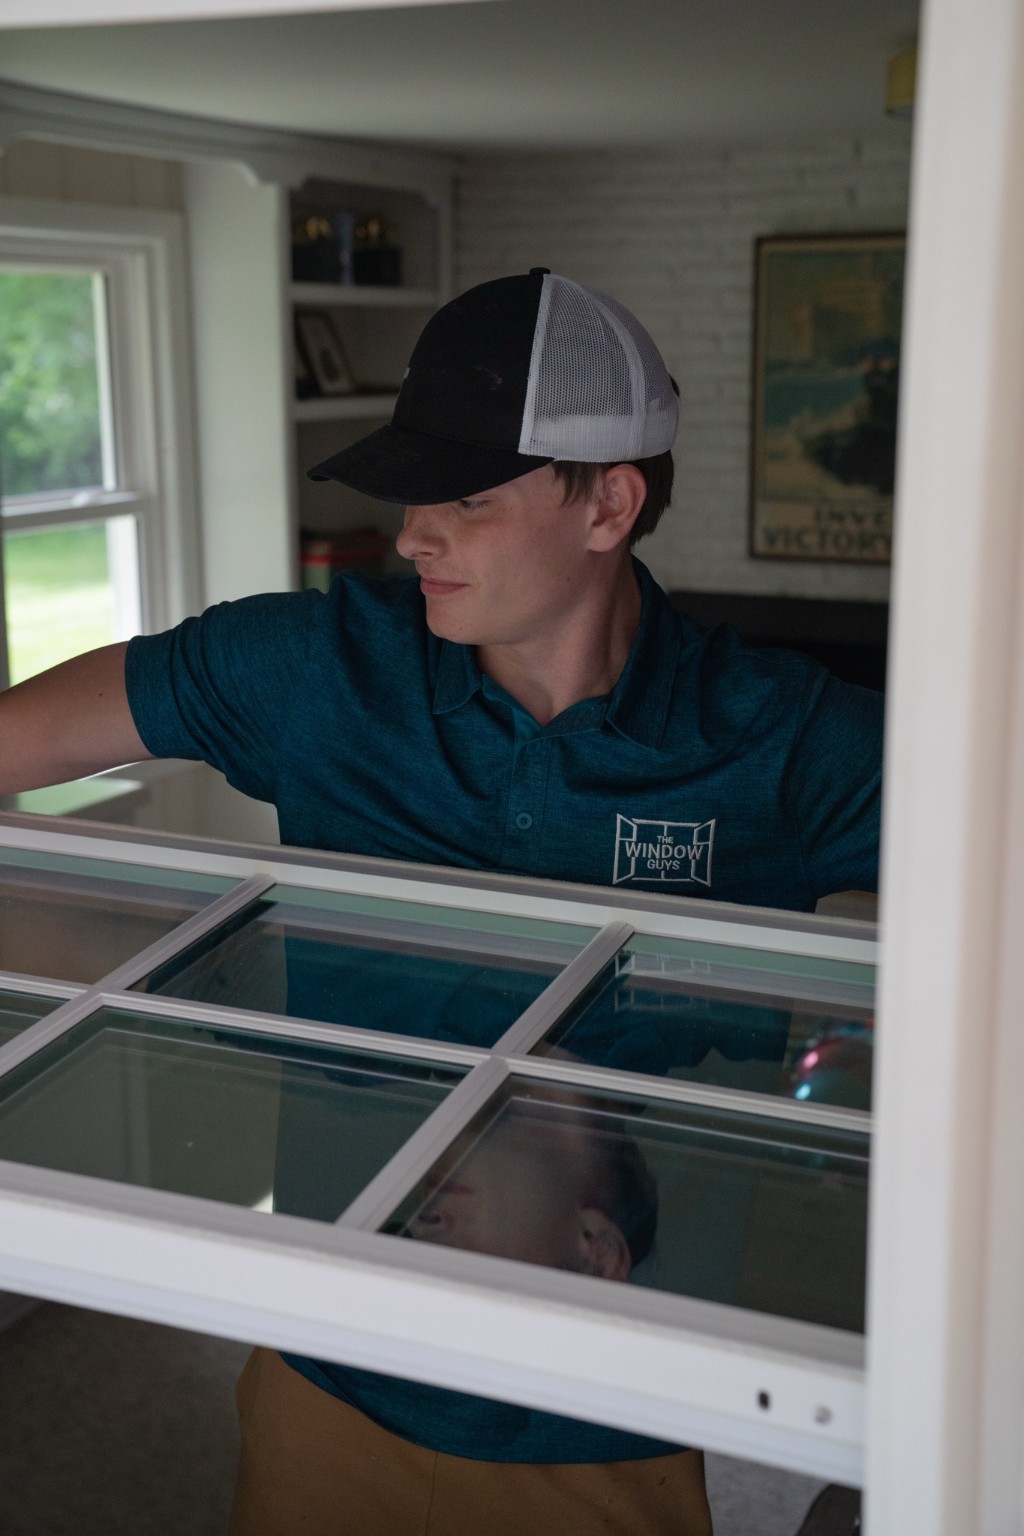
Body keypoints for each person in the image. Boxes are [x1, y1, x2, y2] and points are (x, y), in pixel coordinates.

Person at [0, 268, 882, 1535]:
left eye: (466, 499)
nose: (415, 534)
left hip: (607, 1412)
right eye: (417, 493)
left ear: (610, 505)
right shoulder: (318, 668)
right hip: (327, 1365)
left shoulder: (778, 737)